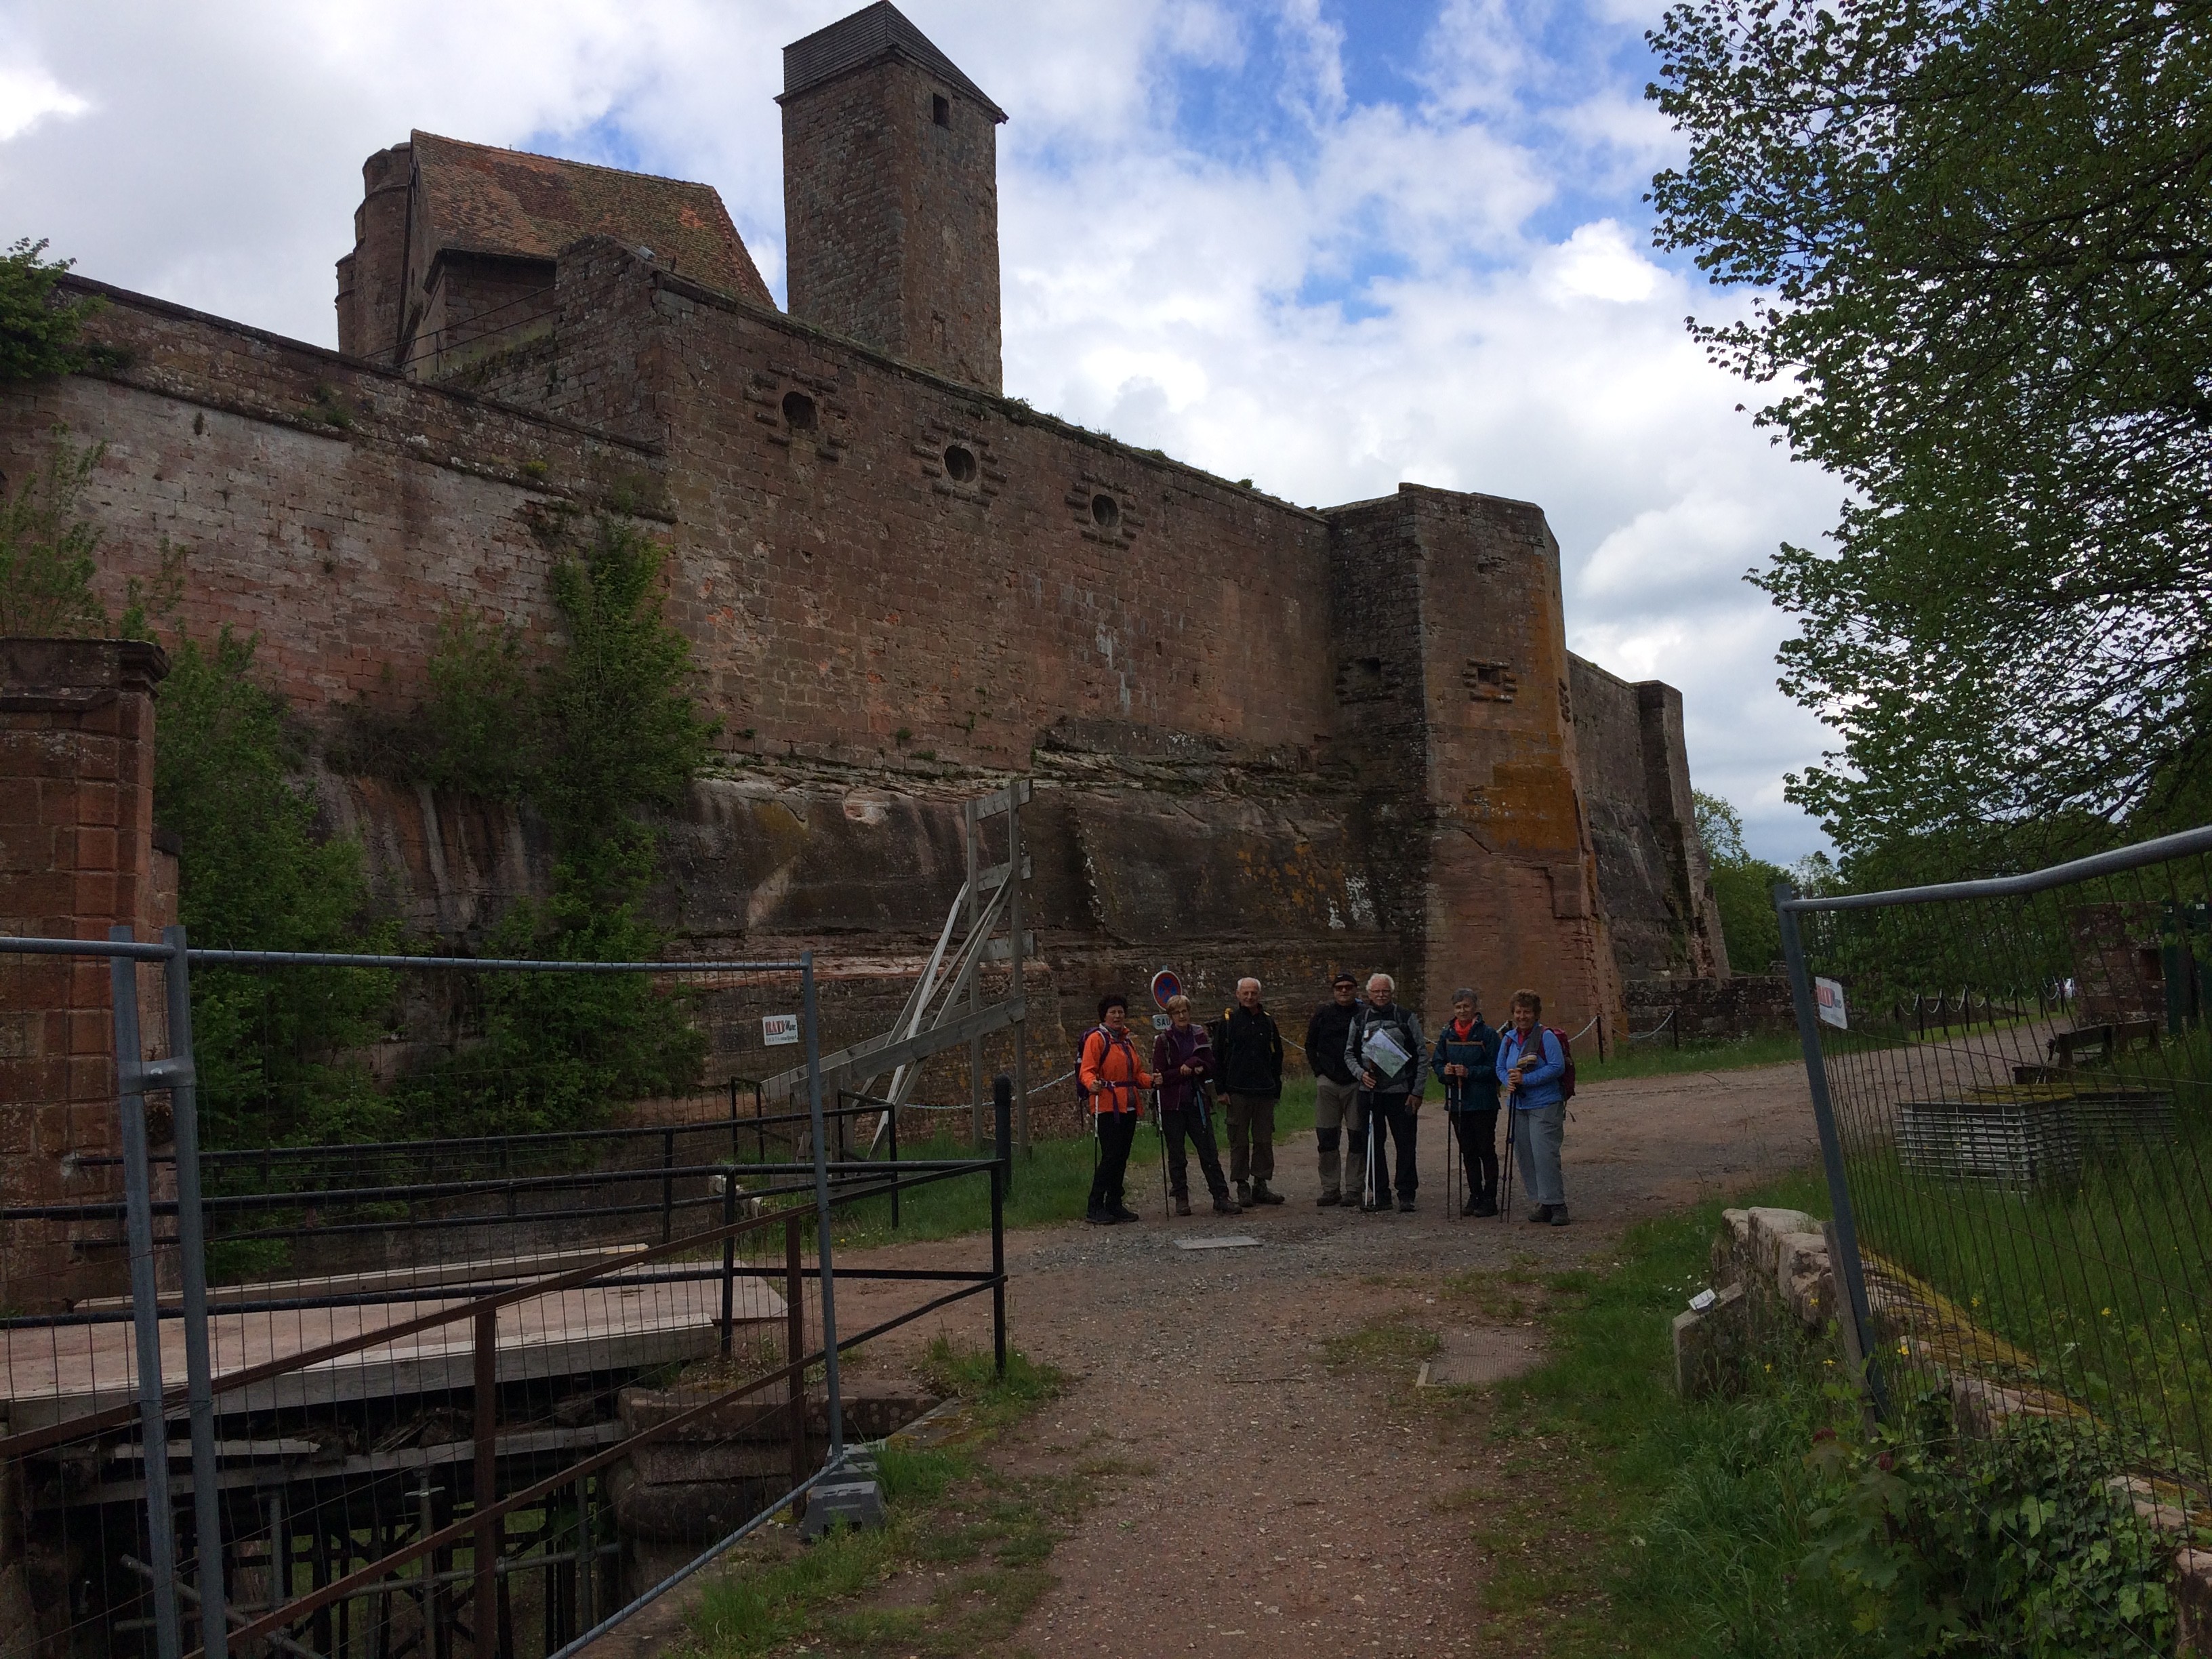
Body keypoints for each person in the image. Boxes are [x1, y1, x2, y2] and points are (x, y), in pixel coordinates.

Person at [1152, 994, 1242, 1216]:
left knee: (1209, 1151)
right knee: (1177, 1154)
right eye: (1177, 1012)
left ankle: (1221, 1196)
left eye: (1185, 1011)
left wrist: (1194, 1064)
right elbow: (1160, 1075)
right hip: (1173, 1104)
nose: (1182, 1016)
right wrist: (1186, 1071)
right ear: (1171, 1016)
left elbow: (1211, 1064)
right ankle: (1181, 1198)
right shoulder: (1163, 1041)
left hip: (1197, 1101)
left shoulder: (1199, 1035)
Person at [1345, 972, 1425, 1212]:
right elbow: (1349, 1053)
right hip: (1369, 1092)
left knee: (1406, 1143)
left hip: (1402, 1092)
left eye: (1385, 992)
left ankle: (1407, 1193)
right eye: (1376, 992)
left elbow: (1421, 1054)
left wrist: (1417, 1091)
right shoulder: (1359, 1020)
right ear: (1369, 994)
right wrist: (1361, 1074)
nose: (1381, 996)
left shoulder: (1406, 1017)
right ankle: (1380, 1194)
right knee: (1372, 1143)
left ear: (1392, 993)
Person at [1496, 989, 1570, 1226]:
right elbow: (1499, 1066)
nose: (1522, 1016)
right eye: (1518, 1012)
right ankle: (1542, 1202)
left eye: (1526, 1012)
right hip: (1518, 1104)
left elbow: (1557, 1067)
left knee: (1544, 1154)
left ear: (1535, 1014)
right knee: (1526, 1155)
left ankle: (1558, 1204)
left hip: (1545, 1103)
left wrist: (1526, 1080)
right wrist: (1507, 1080)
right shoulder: (1508, 1038)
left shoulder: (1546, 1037)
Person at [1211, 977, 1287, 1206]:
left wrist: (1276, 1090)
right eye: (1245, 993)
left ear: (1260, 995)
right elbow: (1217, 1058)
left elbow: (1277, 1058)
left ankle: (1261, 1185)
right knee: (1239, 1141)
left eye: (1253, 993)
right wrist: (1221, 1090)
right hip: (1237, 1092)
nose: (1250, 997)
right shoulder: (1228, 1022)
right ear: (1237, 994)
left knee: (1264, 1141)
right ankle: (1242, 1185)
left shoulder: (1268, 1023)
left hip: (1264, 1091)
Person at [1081, 993, 1154, 1225]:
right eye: (1113, 1012)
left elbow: (1136, 1075)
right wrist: (1090, 1083)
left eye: (1120, 1012)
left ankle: (1114, 1203)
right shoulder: (1097, 1039)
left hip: (1129, 1106)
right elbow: (1087, 1069)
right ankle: (1095, 1205)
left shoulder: (1126, 1041)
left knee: (1121, 1157)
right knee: (1111, 1157)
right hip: (1107, 1106)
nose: (1117, 1015)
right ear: (1104, 1015)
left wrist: (1152, 1081)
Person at [1430, 987, 1502, 1216]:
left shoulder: (1488, 1034)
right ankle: (1475, 1194)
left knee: (1485, 1149)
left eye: (1467, 1006)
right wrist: (1446, 1072)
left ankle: (1490, 1198)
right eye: (1459, 1007)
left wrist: (1470, 1072)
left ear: (1475, 1008)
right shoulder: (1447, 1034)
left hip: (1483, 1102)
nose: (1462, 1011)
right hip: (1457, 1101)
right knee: (1467, 1150)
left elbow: (1496, 1068)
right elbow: (1437, 1062)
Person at [1303, 971, 1364, 1207]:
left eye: (1348, 987)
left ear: (1355, 990)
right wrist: (1319, 1071)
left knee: (1357, 1137)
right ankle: (1330, 1188)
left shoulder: (1363, 1014)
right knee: (1327, 1137)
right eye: (1339, 988)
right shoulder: (1323, 1014)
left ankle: (1354, 1188)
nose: (1344, 991)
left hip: (1356, 1082)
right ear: (1334, 991)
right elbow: (1310, 1044)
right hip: (1328, 1082)